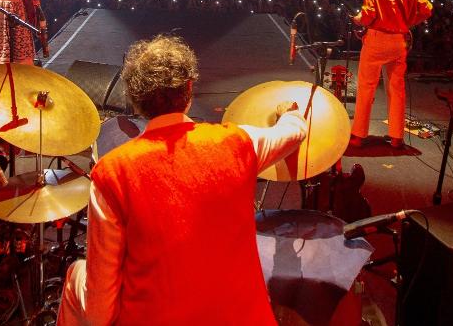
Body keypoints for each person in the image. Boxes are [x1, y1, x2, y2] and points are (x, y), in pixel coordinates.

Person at [57, 35, 307, 325]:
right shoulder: (238, 143)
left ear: (136, 98)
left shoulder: (112, 172)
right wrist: (289, 115)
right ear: (189, 88)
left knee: (77, 273)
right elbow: (292, 133)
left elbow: (101, 313)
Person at [350, 0, 433, 148]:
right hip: (399, 41)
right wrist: (408, 23)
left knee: (366, 87)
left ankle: (359, 135)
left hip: (376, 40)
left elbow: (368, 16)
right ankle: (396, 137)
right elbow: (427, 9)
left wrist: (358, 19)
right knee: (397, 89)